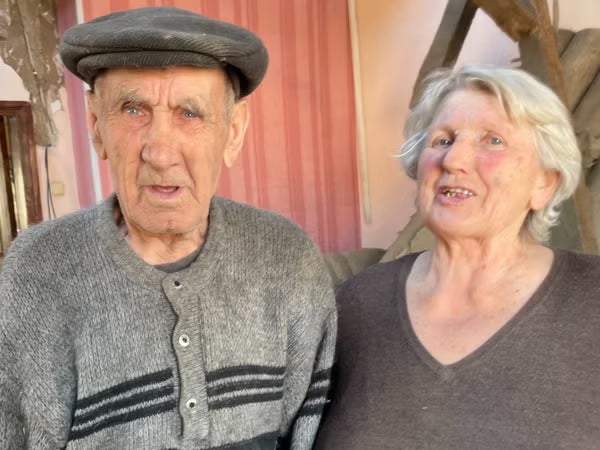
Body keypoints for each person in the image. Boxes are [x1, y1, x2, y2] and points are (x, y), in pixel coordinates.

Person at [0, 7, 336, 449]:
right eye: (133, 109)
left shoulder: (287, 258)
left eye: (190, 113)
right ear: (97, 126)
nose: (160, 152)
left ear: (233, 131)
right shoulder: (38, 269)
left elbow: (310, 433)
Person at [314, 65, 600, 449]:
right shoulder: (354, 307)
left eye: (493, 141)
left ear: (544, 183)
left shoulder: (591, 299)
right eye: (443, 140)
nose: (454, 160)